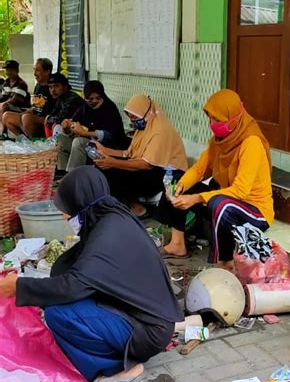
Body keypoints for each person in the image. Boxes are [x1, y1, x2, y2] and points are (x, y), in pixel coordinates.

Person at [0, 166, 183, 382]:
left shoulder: (108, 234)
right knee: (61, 289)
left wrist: (18, 287)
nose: (66, 217)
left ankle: (121, 367)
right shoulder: (112, 217)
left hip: (148, 332)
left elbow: (72, 286)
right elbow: (75, 274)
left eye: (67, 211)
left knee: (59, 314)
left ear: (81, 203)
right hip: (144, 316)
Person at [157, 89, 274, 269]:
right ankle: (177, 244)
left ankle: (224, 263)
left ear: (235, 119)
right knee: (182, 182)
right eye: (211, 119)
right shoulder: (218, 141)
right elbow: (199, 170)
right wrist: (180, 186)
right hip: (229, 202)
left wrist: (195, 199)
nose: (212, 124)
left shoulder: (251, 143)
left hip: (254, 211)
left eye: (218, 120)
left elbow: (240, 191)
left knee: (220, 204)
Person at [93, 93, 188, 218]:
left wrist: (112, 162)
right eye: (131, 119)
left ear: (147, 113)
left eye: (135, 118)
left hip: (167, 175)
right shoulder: (144, 129)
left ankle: (137, 208)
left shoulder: (160, 131)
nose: (134, 122)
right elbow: (129, 154)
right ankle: (119, 205)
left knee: (114, 171)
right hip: (151, 169)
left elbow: (147, 164)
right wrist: (105, 151)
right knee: (103, 167)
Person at [57, 80, 128, 173]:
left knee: (79, 142)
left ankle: (72, 176)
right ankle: (63, 173)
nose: (94, 101)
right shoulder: (84, 108)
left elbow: (110, 135)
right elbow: (73, 126)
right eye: (90, 99)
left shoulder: (109, 109)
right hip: (90, 144)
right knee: (62, 139)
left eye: (98, 98)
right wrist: (66, 127)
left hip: (109, 147)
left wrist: (84, 133)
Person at [2, 57, 53, 138]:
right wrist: (27, 112)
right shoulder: (38, 85)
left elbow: (16, 100)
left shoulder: (52, 86)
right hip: (32, 114)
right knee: (7, 116)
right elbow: (35, 106)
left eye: (37, 70)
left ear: (47, 71)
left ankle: (35, 139)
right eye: (34, 70)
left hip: (45, 120)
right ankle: (23, 139)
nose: (34, 73)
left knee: (26, 118)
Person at [0, 60, 30, 137]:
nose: (8, 72)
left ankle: (4, 132)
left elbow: (15, 100)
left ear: (17, 71)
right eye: (7, 70)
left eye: (11, 70)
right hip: (10, 107)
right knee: (3, 105)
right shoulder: (5, 84)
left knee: (4, 106)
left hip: (22, 109)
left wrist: (3, 104)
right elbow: (3, 98)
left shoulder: (21, 84)